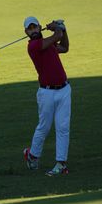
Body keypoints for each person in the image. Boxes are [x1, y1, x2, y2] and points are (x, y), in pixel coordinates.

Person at [22, 16, 71, 176]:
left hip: (64, 90)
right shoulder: (34, 46)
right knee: (44, 127)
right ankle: (33, 156)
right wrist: (57, 27)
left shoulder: (48, 45)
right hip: (46, 93)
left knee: (63, 128)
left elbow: (64, 47)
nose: (33, 30)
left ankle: (61, 164)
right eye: (30, 29)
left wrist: (63, 29)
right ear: (26, 33)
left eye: (35, 27)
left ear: (39, 27)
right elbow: (57, 36)